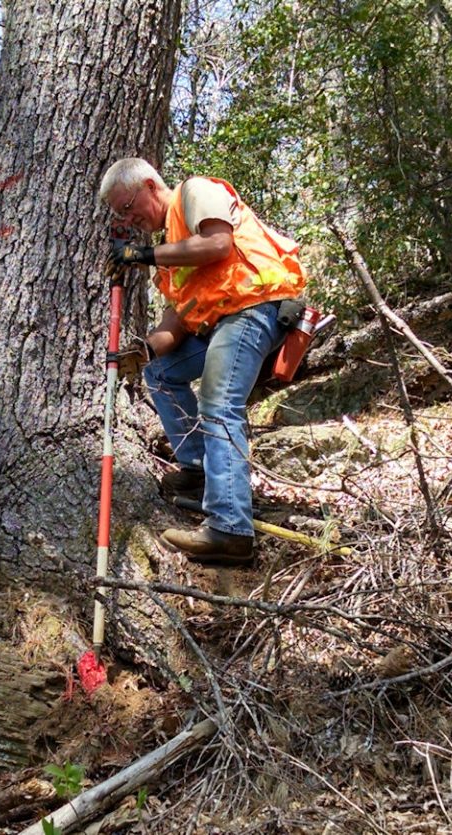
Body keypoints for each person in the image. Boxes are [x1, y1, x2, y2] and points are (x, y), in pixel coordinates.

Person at [99, 158, 307, 566]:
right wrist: (140, 353)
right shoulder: (172, 252)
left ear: (148, 185)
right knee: (160, 373)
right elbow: (173, 326)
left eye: (128, 207)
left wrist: (143, 255)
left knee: (218, 404)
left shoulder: (194, 193)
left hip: (255, 310)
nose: (131, 218)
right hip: (222, 325)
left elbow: (218, 245)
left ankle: (230, 528)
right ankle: (197, 469)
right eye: (121, 215)